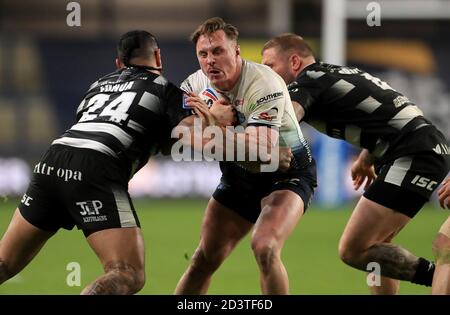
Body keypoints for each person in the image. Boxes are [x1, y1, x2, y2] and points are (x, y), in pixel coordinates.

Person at [0, 30, 235, 294]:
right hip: (97, 165)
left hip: (51, 161)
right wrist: (216, 118)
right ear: (158, 56)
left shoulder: (97, 85)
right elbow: (194, 137)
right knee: (127, 272)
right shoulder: (166, 90)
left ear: (118, 64)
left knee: (5, 263)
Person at [261, 33, 450, 294]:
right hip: (417, 147)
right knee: (377, 247)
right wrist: (367, 156)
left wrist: (238, 128)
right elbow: (384, 111)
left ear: (294, 62)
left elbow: (286, 122)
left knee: (353, 249)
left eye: (270, 67)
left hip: (413, 153)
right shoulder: (335, 73)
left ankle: (439, 276)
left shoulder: (307, 80)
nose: (266, 75)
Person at [174, 17, 317, 295]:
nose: (210, 60)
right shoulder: (194, 84)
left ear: (236, 51)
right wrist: (214, 123)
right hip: (240, 175)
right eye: (203, 54)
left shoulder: (264, 84)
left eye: (218, 51)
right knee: (203, 259)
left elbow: (260, 153)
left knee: (265, 246)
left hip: (287, 174)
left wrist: (210, 130)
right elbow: (181, 134)